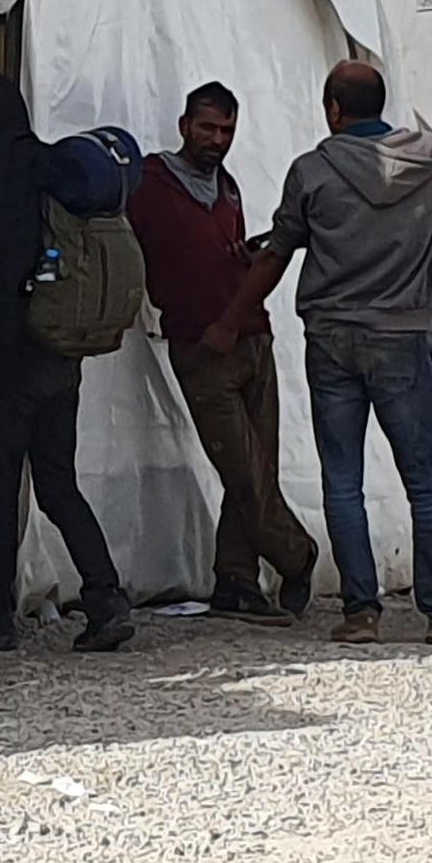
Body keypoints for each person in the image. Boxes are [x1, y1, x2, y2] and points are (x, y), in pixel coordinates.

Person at [221, 59, 432, 645]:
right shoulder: (431, 160)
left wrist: (231, 319)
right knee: (424, 480)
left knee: (343, 481)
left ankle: (360, 612)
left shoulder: (311, 171)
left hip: (332, 337)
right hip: (402, 335)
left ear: (332, 108)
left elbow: (277, 253)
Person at [0, 65, 135, 654]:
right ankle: (105, 598)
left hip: (5, 355)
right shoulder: (48, 164)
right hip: (59, 352)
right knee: (57, 483)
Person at [131, 84, 317, 623]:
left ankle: (235, 580)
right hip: (201, 342)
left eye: (228, 131)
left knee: (259, 467)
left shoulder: (227, 187)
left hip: (252, 336)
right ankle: (298, 555)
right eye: (208, 128)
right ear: (184, 123)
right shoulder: (150, 183)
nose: (218, 140)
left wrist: (238, 257)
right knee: (242, 469)